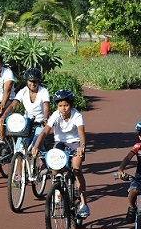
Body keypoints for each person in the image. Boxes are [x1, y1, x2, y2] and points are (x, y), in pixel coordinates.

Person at [31, 89, 90, 218]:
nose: (63, 108)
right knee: (54, 167)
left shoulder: (77, 115)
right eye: (60, 106)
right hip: (60, 143)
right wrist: (36, 146)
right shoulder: (55, 115)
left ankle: (84, 203)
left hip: (75, 143)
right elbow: (45, 131)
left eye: (66, 105)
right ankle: (57, 189)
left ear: (71, 105)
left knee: (76, 170)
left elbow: (81, 131)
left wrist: (82, 146)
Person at [5, 68, 50, 153]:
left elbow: (46, 107)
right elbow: (13, 105)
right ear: (27, 81)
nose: (33, 84)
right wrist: (5, 115)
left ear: (38, 81)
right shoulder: (23, 91)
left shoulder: (43, 91)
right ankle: (17, 164)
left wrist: (45, 118)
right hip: (27, 122)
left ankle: (43, 162)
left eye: (35, 81)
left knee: (36, 145)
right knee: (19, 148)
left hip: (40, 122)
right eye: (30, 81)